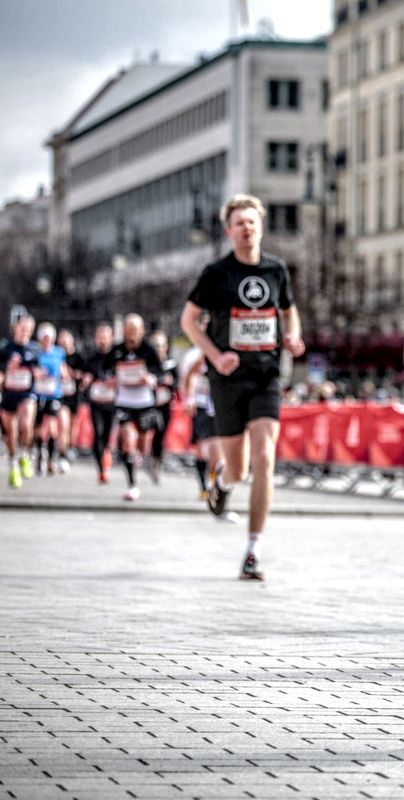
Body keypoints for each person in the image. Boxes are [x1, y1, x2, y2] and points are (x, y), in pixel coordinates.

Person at [180, 194, 305, 581]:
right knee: (238, 468)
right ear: (228, 230)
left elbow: (288, 311)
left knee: (265, 458)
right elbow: (188, 321)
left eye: (252, 222)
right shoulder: (217, 273)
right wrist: (216, 357)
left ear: (261, 226)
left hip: (266, 375)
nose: (247, 228)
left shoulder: (276, 270)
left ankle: (253, 550)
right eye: (239, 223)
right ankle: (220, 482)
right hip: (228, 379)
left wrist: (294, 337)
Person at [104, 314, 163, 501]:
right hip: (124, 402)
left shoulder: (148, 350)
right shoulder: (117, 350)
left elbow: (160, 372)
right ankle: (132, 485)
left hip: (144, 402)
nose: (131, 335)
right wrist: (109, 380)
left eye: (135, 331)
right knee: (127, 439)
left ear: (141, 331)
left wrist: (151, 379)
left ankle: (141, 458)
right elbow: (104, 369)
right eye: (128, 330)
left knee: (142, 444)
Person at [180, 341, 226, 508]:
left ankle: (213, 484)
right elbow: (190, 376)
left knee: (216, 451)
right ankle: (204, 486)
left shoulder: (226, 351)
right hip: (200, 406)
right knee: (201, 450)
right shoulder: (195, 355)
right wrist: (189, 397)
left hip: (219, 407)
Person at [1, 314, 39, 488]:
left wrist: (39, 373)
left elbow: (42, 370)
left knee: (26, 424)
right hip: (9, 395)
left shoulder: (35, 349)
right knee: (11, 434)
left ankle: (25, 454)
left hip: (27, 394)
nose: (25, 332)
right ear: (15, 328)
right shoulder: (5, 349)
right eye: (23, 328)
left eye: (29, 330)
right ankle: (14, 464)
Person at [80, 323, 118, 483]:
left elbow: (124, 375)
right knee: (98, 433)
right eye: (100, 337)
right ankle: (101, 468)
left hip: (112, 402)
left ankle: (106, 455)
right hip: (96, 402)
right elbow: (83, 379)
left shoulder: (117, 356)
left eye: (105, 337)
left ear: (111, 338)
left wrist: (115, 381)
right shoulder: (90, 358)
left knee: (108, 434)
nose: (102, 340)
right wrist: (85, 380)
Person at [33, 322, 67, 475]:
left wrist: (64, 374)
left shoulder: (59, 352)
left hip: (54, 394)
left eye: (49, 338)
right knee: (39, 429)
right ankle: (41, 454)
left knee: (52, 427)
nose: (46, 340)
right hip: (38, 394)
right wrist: (36, 372)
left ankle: (51, 460)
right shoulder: (35, 353)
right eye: (44, 338)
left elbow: (63, 369)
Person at [147, 330, 178, 484]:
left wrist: (171, 382)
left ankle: (156, 460)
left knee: (160, 434)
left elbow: (178, 382)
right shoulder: (148, 363)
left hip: (164, 404)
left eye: (160, 345)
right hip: (147, 404)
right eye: (155, 345)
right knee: (148, 431)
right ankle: (146, 458)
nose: (158, 348)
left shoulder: (171, 364)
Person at [57, 329, 84, 465]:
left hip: (74, 396)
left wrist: (70, 373)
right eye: (61, 341)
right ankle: (62, 454)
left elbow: (83, 376)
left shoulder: (78, 357)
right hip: (60, 396)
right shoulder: (56, 356)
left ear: (71, 341)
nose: (63, 343)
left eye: (66, 340)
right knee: (63, 425)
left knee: (72, 427)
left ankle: (70, 447)